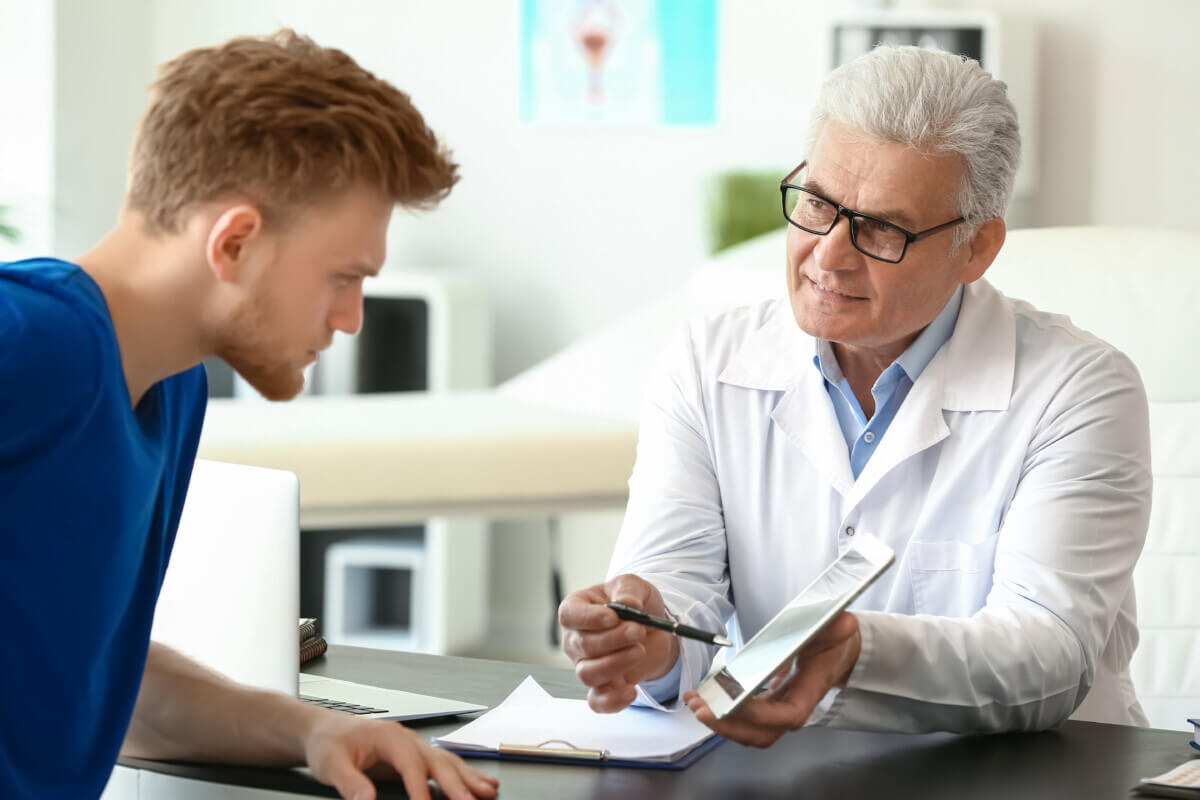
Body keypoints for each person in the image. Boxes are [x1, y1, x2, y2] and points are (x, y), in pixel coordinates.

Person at [559, 45, 1152, 746]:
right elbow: (674, 590)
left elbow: (1050, 653)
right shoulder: (708, 364)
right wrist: (647, 640)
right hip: (794, 773)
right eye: (816, 204)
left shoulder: (1080, 390)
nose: (828, 255)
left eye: (881, 229)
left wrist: (858, 655)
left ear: (976, 248)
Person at [0, 30, 499, 800]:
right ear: (235, 243)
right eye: (343, 277)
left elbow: (104, 684)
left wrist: (312, 729)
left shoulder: (170, 389)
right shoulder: (37, 342)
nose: (352, 319)